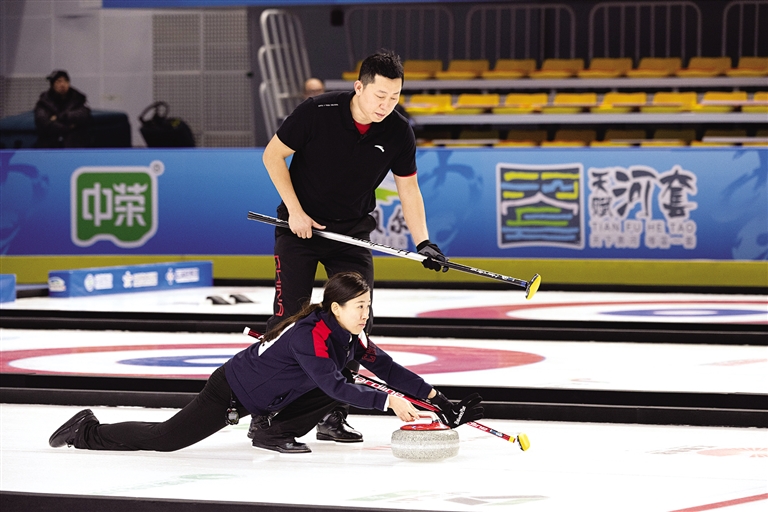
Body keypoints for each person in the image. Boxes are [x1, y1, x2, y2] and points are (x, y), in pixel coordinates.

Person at [48, 272, 483, 454]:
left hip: (269, 397)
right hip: (232, 391)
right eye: (359, 307)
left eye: (368, 306)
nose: (365, 314)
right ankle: (86, 431)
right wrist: (388, 403)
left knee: (349, 374)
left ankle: (273, 431)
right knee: (166, 439)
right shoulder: (311, 335)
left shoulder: (352, 335)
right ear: (335, 308)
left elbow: (388, 370)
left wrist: (438, 399)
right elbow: (334, 388)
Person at [259, 50, 447, 445]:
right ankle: (267, 411)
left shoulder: (398, 131)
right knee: (288, 319)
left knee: (356, 322)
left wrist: (424, 242)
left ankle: (332, 413)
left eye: (394, 97)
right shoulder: (317, 111)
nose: (386, 105)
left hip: (351, 235)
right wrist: (295, 212)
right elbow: (272, 155)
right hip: (299, 230)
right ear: (359, 87)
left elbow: (409, 188)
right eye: (380, 95)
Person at [34, 70, 92, 148]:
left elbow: (83, 115)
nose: (62, 84)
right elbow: (43, 122)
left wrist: (60, 117)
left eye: (66, 81)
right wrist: (68, 127)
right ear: (52, 84)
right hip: (50, 145)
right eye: (59, 81)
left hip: (74, 145)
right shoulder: (44, 101)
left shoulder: (78, 99)